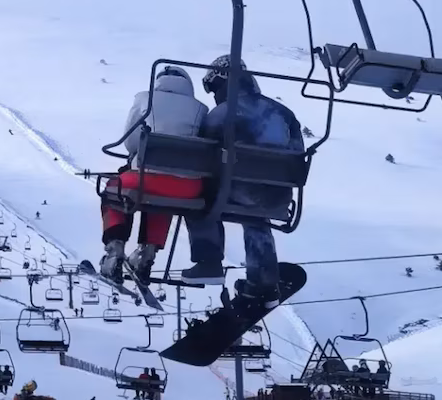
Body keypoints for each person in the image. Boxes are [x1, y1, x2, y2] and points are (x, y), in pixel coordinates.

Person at [182, 55, 305, 307]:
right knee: (256, 218)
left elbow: (204, 157)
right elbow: (298, 154)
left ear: (223, 81)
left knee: (196, 196)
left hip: (235, 191)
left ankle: (209, 260)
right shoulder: (283, 113)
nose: (214, 95)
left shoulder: (221, 114)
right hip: (278, 196)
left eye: (213, 87)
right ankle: (264, 281)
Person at [100, 66, 208, 283]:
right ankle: (146, 254)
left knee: (115, 189)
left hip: (147, 179)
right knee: (164, 199)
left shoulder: (144, 99)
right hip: (188, 188)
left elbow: (130, 142)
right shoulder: (201, 109)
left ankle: (114, 251)